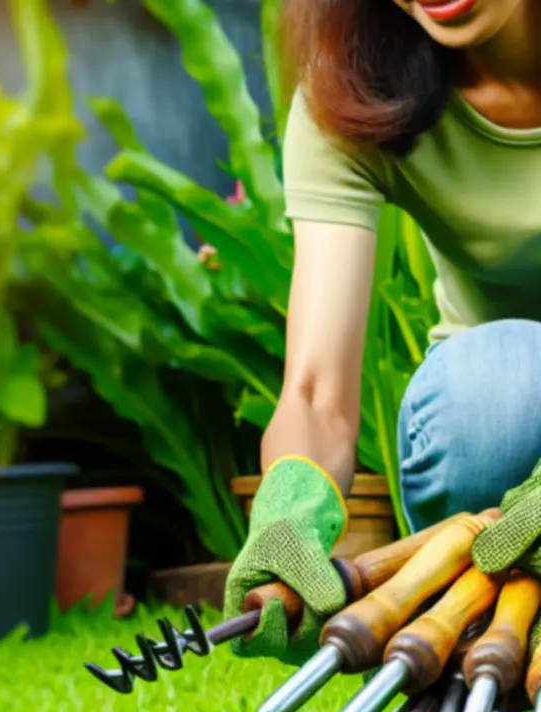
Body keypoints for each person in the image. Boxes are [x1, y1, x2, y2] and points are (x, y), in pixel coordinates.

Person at [222, 0, 541, 666]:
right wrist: (288, 516)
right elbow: (315, 393)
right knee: (497, 387)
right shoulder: (356, 94)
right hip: (496, 433)